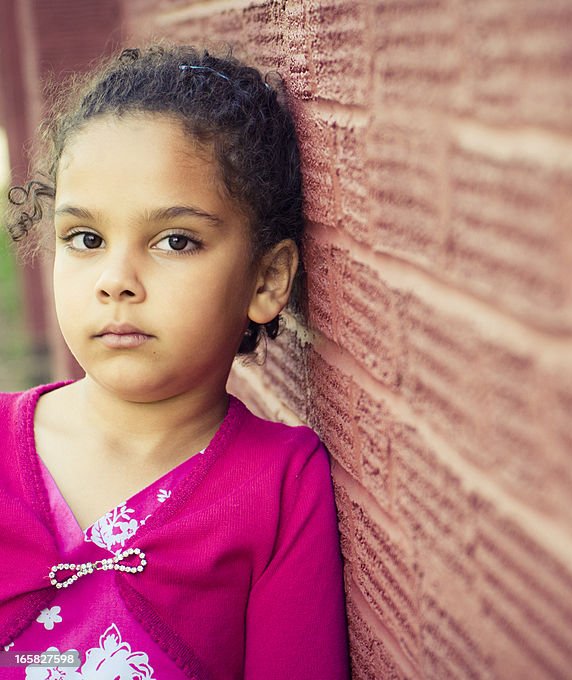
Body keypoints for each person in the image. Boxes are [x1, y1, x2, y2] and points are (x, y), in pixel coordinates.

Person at [1, 45, 349, 679]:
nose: (116, 280)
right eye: (85, 239)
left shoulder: (278, 486)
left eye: (175, 241)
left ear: (267, 279)